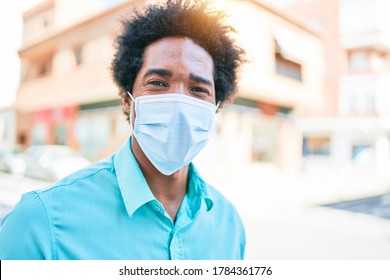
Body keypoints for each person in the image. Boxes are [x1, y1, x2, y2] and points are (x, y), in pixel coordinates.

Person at [0, 0, 246, 260]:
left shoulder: (229, 226)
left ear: (215, 107)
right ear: (128, 100)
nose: (180, 104)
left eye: (198, 89)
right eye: (158, 83)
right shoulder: (43, 221)